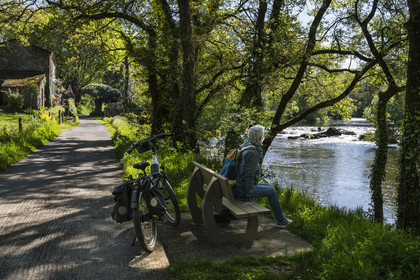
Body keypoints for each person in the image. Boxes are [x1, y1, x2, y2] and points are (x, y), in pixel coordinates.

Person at [231, 125, 294, 228]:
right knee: (272, 191)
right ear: (260, 137)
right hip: (241, 189)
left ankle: (281, 219)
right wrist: (248, 195)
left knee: (270, 188)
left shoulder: (245, 146)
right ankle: (281, 220)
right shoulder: (253, 151)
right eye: (262, 136)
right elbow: (249, 175)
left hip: (237, 185)